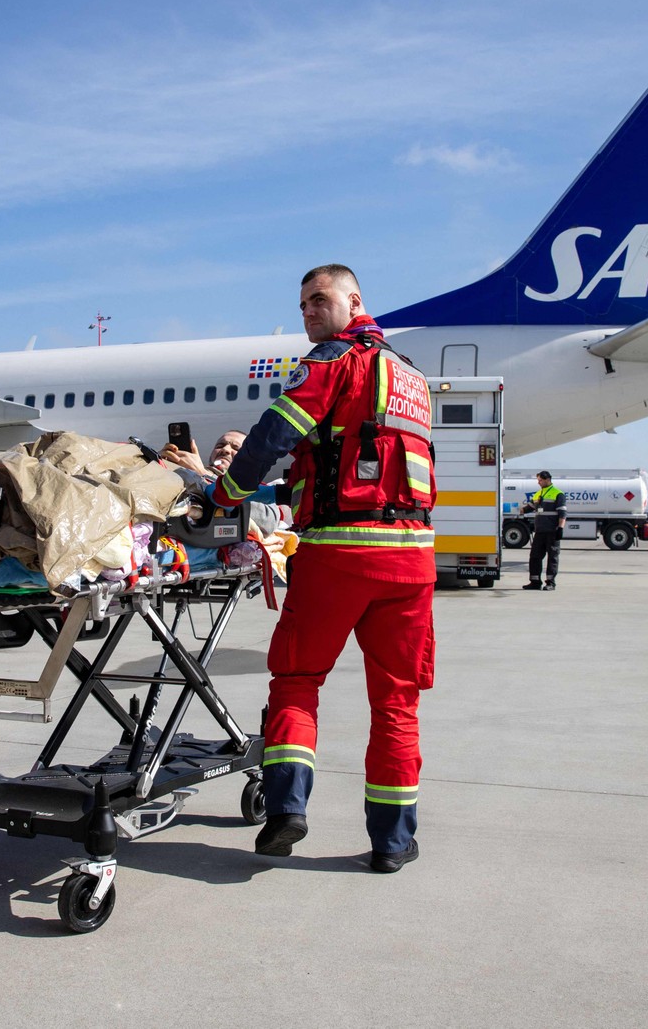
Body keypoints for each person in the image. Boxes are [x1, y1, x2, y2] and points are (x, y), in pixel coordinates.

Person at [207, 264, 436, 874]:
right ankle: (392, 843)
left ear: (353, 300)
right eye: (303, 302)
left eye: (319, 299)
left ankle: (286, 810)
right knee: (397, 703)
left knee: (297, 680)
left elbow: (273, 434)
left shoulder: (334, 360)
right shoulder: (411, 376)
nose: (308, 311)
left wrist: (225, 493)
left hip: (339, 552)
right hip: (411, 557)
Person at [520, 470, 567, 590]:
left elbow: (562, 513)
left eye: (540, 480)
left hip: (552, 531)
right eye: (538, 480)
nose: (538, 483)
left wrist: (560, 528)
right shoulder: (538, 494)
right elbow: (529, 508)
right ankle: (535, 582)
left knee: (552, 557)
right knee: (535, 556)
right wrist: (517, 510)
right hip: (540, 531)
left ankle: (550, 583)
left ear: (547, 480)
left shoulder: (558, 494)